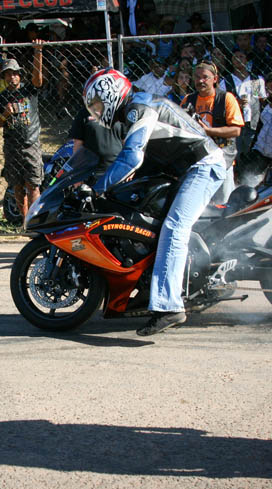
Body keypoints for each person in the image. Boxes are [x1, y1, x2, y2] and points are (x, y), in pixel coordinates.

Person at [83, 68, 226, 336]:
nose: (97, 111)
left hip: (203, 166)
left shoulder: (139, 108)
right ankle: (149, 288)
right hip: (185, 170)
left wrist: (97, 189)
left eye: (98, 104)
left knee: (174, 228)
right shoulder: (136, 108)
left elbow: (131, 158)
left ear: (112, 95)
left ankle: (169, 306)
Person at [0, 44, 45, 224]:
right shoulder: (1, 98)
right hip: (11, 146)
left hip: (30, 144)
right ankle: (25, 221)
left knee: (33, 185)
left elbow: (38, 80)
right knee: (18, 186)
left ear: (19, 75)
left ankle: (35, 221)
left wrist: (38, 52)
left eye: (15, 73)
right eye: (8, 74)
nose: (12, 77)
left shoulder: (29, 91)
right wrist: (5, 115)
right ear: (4, 77)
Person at [181, 61, 244, 204]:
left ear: (215, 79)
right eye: (197, 77)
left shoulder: (226, 98)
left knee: (224, 201)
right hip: (197, 158)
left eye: (205, 77)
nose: (200, 81)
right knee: (196, 201)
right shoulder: (188, 99)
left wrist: (209, 131)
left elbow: (236, 130)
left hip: (223, 157)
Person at [225, 50, 267, 160]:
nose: (239, 59)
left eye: (241, 56)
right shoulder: (226, 81)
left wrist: (254, 101)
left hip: (254, 122)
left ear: (246, 60)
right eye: (235, 57)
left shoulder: (256, 80)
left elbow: (261, 98)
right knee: (236, 152)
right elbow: (223, 102)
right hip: (236, 123)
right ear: (232, 61)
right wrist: (235, 102)